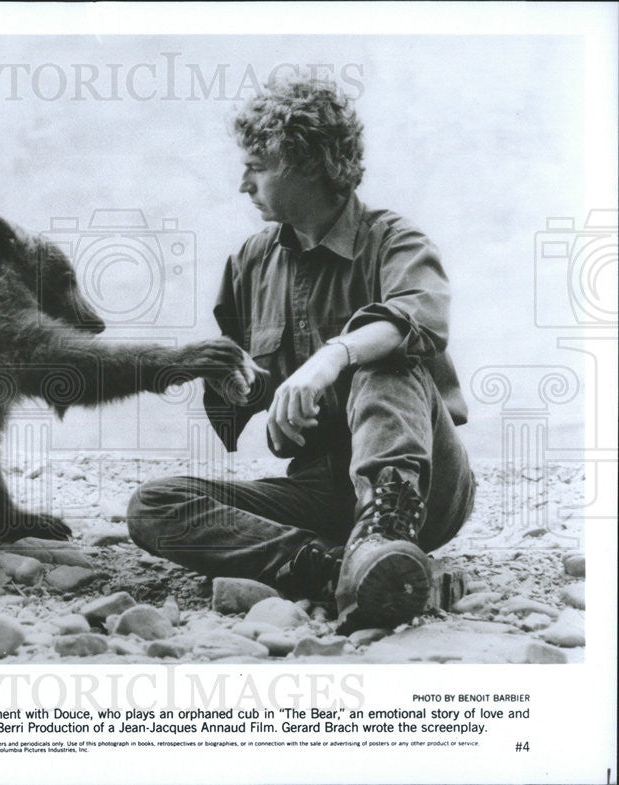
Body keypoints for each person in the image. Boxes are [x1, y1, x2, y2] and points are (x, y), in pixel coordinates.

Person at [126, 77, 475, 631]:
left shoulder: (395, 240)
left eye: (257, 165)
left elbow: (420, 319)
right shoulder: (249, 262)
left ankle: (386, 536)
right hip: (321, 490)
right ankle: (337, 569)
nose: (244, 184)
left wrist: (333, 355)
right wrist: (242, 390)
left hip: (424, 487)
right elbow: (253, 401)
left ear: (308, 162)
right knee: (155, 505)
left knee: (383, 353)